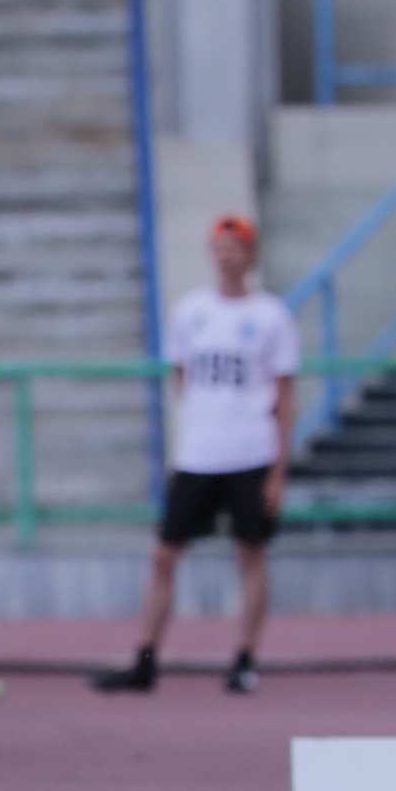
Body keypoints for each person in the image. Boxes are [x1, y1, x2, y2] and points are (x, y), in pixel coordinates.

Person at [93, 215, 298, 696]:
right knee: (164, 553)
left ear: (251, 256)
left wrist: (277, 470)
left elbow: (284, 395)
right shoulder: (190, 312)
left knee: (250, 553)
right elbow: (181, 377)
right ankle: (146, 657)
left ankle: (244, 657)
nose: (227, 256)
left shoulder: (271, 316)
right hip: (200, 454)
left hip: (250, 450)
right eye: (220, 247)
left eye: (236, 247)